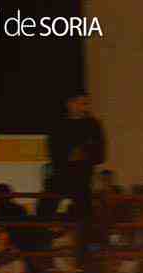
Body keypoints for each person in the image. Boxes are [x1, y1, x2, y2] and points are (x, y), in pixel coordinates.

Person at [48, 93, 106, 248]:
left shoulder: (93, 125)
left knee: (83, 217)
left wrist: (85, 154)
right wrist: (68, 157)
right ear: (69, 104)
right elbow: (53, 153)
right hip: (63, 179)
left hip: (83, 179)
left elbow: (100, 153)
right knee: (59, 213)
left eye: (85, 104)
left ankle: (82, 248)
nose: (83, 107)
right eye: (79, 103)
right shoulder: (59, 125)